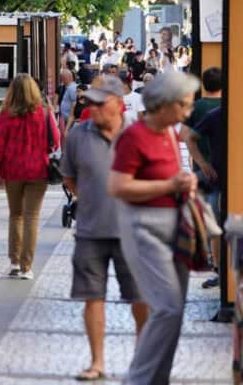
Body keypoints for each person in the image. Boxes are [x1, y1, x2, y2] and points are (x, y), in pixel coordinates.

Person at [108, 70, 200, 385]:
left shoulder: (172, 135)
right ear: (164, 104)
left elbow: (172, 179)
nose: (188, 112)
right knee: (167, 307)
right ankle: (139, 378)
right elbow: (118, 187)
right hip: (144, 227)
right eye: (184, 105)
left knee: (175, 310)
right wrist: (168, 184)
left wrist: (185, 183)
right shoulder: (134, 136)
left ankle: (158, 378)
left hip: (175, 226)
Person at [61, 76, 148, 381]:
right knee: (92, 296)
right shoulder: (77, 136)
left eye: (99, 102)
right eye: (90, 101)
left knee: (141, 297)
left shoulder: (140, 133)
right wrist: (90, 200)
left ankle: (142, 359)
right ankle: (97, 362)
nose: (92, 107)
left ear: (117, 103)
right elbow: (69, 177)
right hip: (90, 230)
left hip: (133, 231)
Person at [0, 74, 60, 280]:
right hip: (38, 170)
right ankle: (26, 266)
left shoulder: (6, 114)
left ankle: (14, 260)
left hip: (13, 170)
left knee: (15, 215)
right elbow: (55, 141)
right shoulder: (45, 113)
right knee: (32, 217)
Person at [180, 67, 223, 288]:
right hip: (226, 173)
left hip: (207, 171)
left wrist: (201, 161)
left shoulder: (198, 108)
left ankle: (215, 264)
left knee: (212, 221)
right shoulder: (230, 107)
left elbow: (184, 135)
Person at [59, 69, 78, 136]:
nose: (62, 80)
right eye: (61, 78)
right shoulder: (69, 87)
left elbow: (75, 103)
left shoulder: (72, 88)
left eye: (63, 78)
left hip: (69, 120)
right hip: (67, 119)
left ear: (69, 78)